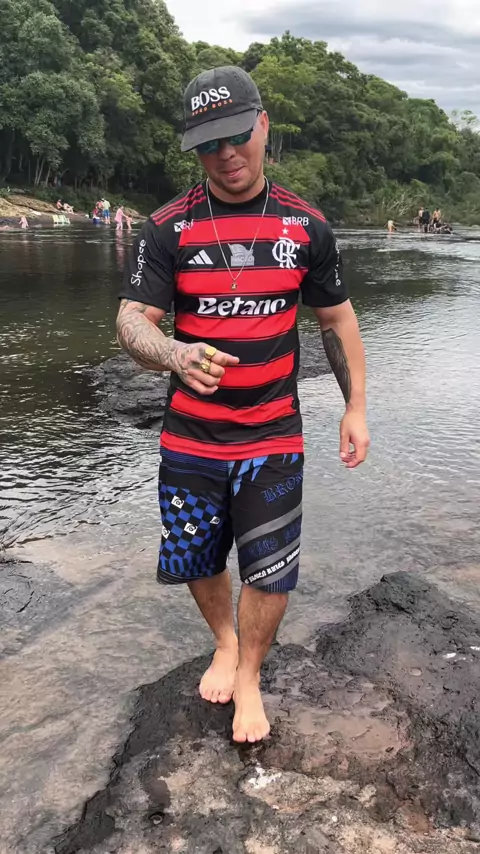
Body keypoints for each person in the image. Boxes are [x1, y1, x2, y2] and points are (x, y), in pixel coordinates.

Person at [117, 66, 370, 744]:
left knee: (272, 565)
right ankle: (225, 642)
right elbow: (132, 321)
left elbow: (336, 321)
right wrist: (174, 354)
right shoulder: (166, 229)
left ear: (263, 126)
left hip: (273, 434)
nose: (226, 154)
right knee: (197, 557)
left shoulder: (305, 225)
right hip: (190, 438)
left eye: (236, 136)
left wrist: (355, 409)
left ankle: (251, 673)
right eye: (208, 144)